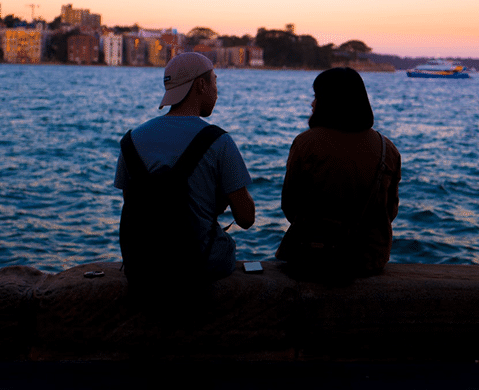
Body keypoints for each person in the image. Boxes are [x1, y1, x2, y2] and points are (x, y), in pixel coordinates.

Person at [114, 52, 255, 282]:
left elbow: (131, 202)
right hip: (200, 264)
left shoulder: (131, 140)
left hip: (143, 266)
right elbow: (246, 218)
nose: (217, 91)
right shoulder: (219, 141)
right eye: (215, 82)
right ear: (201, 85)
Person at [276, 67, 401, 280]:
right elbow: (390, 212)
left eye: (316, 97)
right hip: (369, 259)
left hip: (313, 256)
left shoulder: (305, 143)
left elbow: (290, 207)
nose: (312, 103)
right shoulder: (387, 148)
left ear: (329, 102)